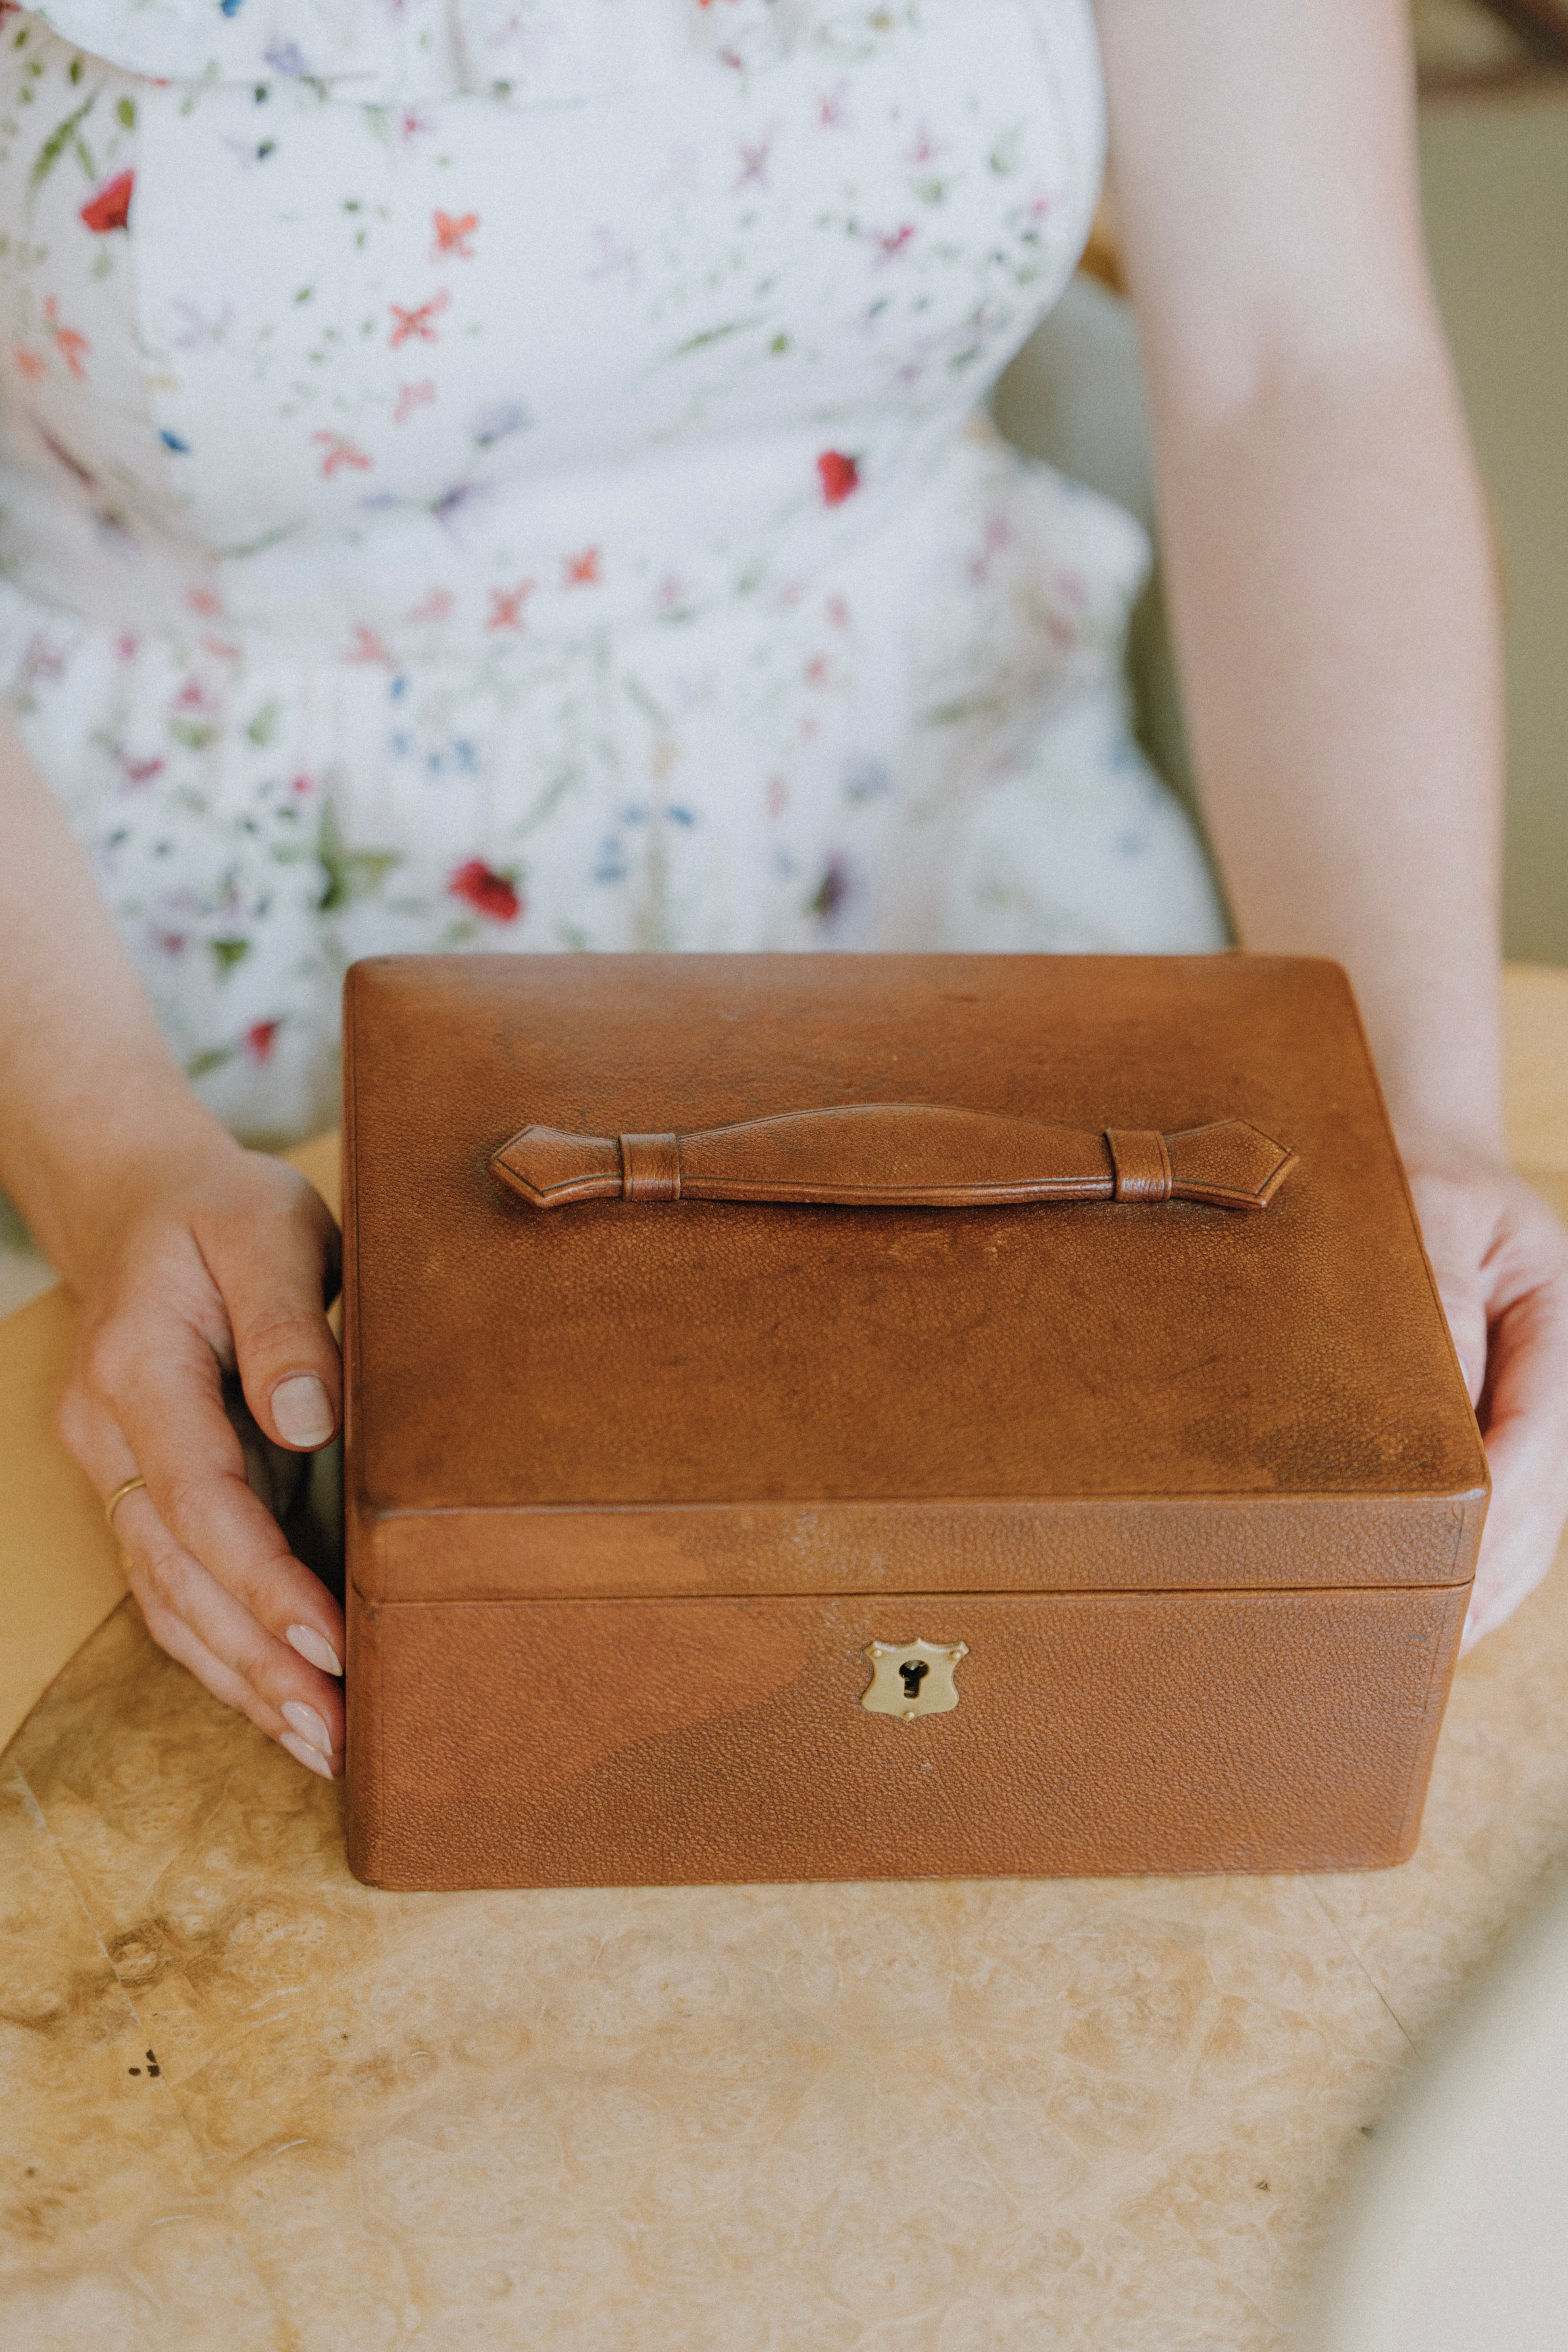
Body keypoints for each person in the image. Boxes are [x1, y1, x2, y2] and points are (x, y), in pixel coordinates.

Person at [1, 0, 1564, 1782]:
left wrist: (1411, 1112)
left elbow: (1300, 353)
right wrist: (105, 1149)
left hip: (955, 886)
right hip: (143, 1016)